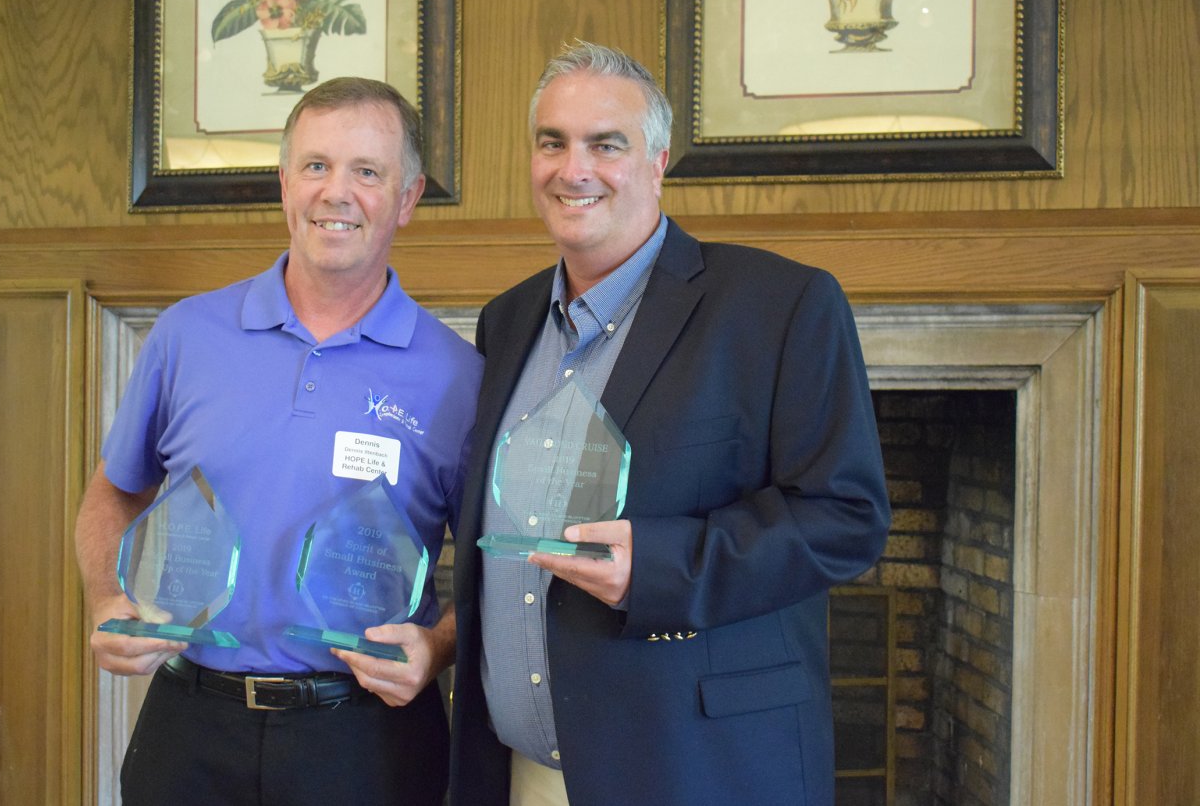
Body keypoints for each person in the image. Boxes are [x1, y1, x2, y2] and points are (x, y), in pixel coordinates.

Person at [448, 42, 891, 806]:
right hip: (521, 775)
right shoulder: (508, 320)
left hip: (698, 771)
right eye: (551, 142)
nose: (572, 168)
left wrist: (659, 565)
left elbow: (847, 518)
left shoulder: (779, 306)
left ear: (656, 162)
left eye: (605, 145)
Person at [75, 77, 481, 806]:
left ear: (408, 197)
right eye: (316, 166)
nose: (337, 192)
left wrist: (439, 646)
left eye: (367, 171)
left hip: (370, 739)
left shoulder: (459, 377)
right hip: (190, 725)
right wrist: (107, 598)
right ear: (285, 182)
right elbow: (115, 487)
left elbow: (489, 564)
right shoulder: (186, 336)